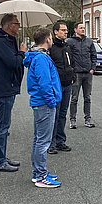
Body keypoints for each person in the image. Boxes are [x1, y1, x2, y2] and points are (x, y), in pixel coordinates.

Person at [23, 28, 62, 188]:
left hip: (42, 103)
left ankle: (38, 172)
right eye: (51, 37)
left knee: (39, 139)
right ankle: (40, 176)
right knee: (43, 141)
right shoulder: (41, 58)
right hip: (44, 104)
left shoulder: (40, 57)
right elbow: (44, 82)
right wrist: (52, 100)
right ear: (47, 39)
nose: (52, 40)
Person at [0, 14, 27, 172]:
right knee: (2, 127)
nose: (19, 27)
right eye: (17, 24)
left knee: (4, 125)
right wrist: (22, 52)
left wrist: (18, 51)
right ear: (9, 25)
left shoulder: (7, 41)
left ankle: (2, 156)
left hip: (6, 88)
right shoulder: (0, 42)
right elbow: (13, 63)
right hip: (3, 90)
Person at [47, 22, 75, 154]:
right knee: (55, 115)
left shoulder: (67, 46)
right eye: (63, 30)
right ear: (55, 32)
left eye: (66, 30)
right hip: (56, 86)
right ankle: (51, 143)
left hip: (67, 83)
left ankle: (60, 141)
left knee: (63, 114)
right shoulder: (51, 49)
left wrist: (73, 75)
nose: (65, 32)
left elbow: (72, 63)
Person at [66, 23, 97, 128]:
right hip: (76, 73)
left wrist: (93, 68)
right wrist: (71, 71)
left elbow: (94, 55)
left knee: (87, 97)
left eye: (84, 28)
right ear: (75, 30)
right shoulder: (69, 42)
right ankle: (72, 120)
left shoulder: (89, 41)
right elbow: (67, 56)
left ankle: (87, 119)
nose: (83, 29)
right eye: (81, 28)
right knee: (74, 98)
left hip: (88, 73)